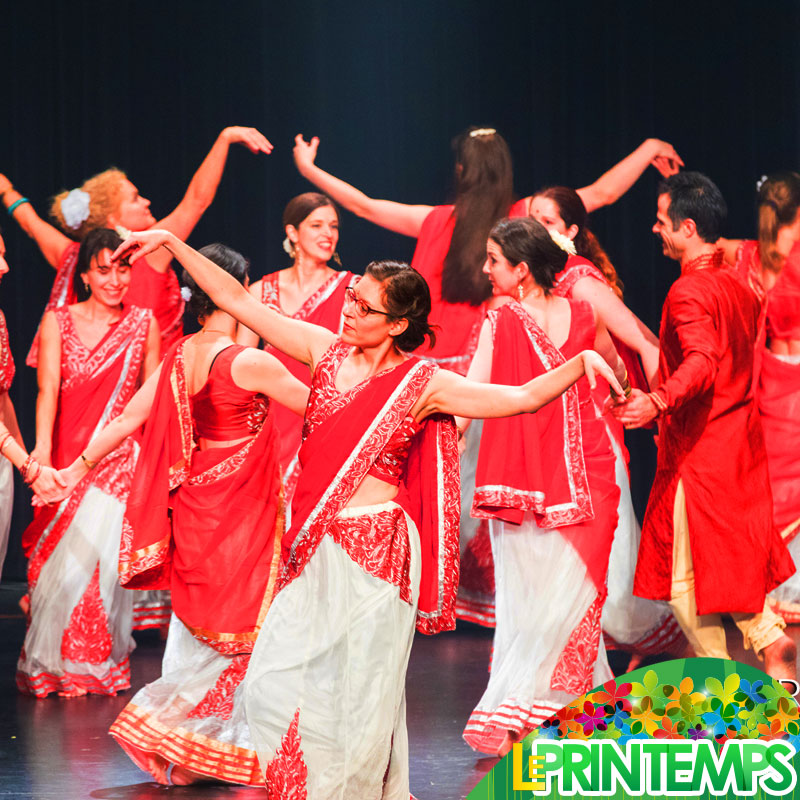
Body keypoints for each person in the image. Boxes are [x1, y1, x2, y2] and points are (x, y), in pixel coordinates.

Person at [111, 227, 622, 799]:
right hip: (314, 546)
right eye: (351, 297)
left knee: (363, 694)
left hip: (381, 551)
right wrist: (171, 242)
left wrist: (578, 365)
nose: (348, 311)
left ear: (398, 323)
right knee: (267, 683)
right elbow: (238, 301)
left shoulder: (423, 382)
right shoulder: (324, 353)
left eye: (364, 306)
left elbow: (517, 399)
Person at [40, 243, 309, 785]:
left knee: (196, 630)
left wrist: (73, 470)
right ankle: (216, 743)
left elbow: (126, 420)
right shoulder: (248, 361)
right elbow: (329, 410)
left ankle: (186, 752)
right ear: (227, 293)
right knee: (244, 630)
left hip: (193, 512)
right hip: (242, 516)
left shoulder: (177, 356)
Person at [293, 130, 683, 374]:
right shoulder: (524, 217)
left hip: (426, 368)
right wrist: (649, 147)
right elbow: (602, 193)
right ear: (506, 172)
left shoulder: (435, 220)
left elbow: (363, 205)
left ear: (461, 170)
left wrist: (310, 169)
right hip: (490, 373)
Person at [613, 172, 796, 680]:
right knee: (726, 564)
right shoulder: (741, 284)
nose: (655, 230)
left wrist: (657, 401)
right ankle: (766, 638)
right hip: (738, 443)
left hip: (701, 451)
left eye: (661, 221)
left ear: (688, 227)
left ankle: (724, 685)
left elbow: (703, 362)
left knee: (684, 580)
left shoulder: (689, 291)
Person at [457, 217, 624, 755]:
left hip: (564, 476)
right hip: (554, 473)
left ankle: (547, 712)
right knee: (536, 599)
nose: (486, 270)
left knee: (560, 598)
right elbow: (614, 374)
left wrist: (448, 433)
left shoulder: (503, 321)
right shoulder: (575, 313)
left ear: (522, 270)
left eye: (493, 261)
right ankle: (537, 712)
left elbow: (471, 394)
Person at [529, 185, 683, 660]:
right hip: (549, 430)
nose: (537, 229)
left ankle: (654, 635)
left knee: (606, 549)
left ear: (572, 231)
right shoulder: (533, 280)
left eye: (548, 222)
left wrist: (662, 415)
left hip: (591, 427)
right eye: (532, 219)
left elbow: (646, 343)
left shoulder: (580, 280)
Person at [17, 228, 159, 697]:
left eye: (124, 268)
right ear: (84, 275)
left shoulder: (144, 323)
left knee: (97, 568)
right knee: (58, 569)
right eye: (105, 269)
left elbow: (151, 400)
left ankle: (92, 665)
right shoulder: (57, 320)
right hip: (64, 460)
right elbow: (47, 391)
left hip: (119, 461)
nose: (116, 279)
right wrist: (39, 451)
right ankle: (54, 666)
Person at [0, 125, 272, 361]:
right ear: (112, 218)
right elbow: (197, 201)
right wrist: (224, 139)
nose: (146, 202)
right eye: (135, 198)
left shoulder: (71, 254)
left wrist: (8, 192)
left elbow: (30, 222)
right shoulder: (148, 251)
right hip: (145, 392)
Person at [717, 173, 800, 622]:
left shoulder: (746, 253)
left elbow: (705, 249)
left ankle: (770, 588)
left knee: (774, 485)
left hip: (767, 381)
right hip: (796, 387)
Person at [237, 192, 356, 499]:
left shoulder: (352, 288)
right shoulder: (261, 290)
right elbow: (240, 360)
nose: (328, 234)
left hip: (321, 413)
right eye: (316, 225)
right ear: (292, 232)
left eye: (333, 226)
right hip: (269, 420)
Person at [0, 230, 65, 576]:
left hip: (4, 459)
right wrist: (28, 467)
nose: (5, 266)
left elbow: (2, 396)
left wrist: (29, 467)